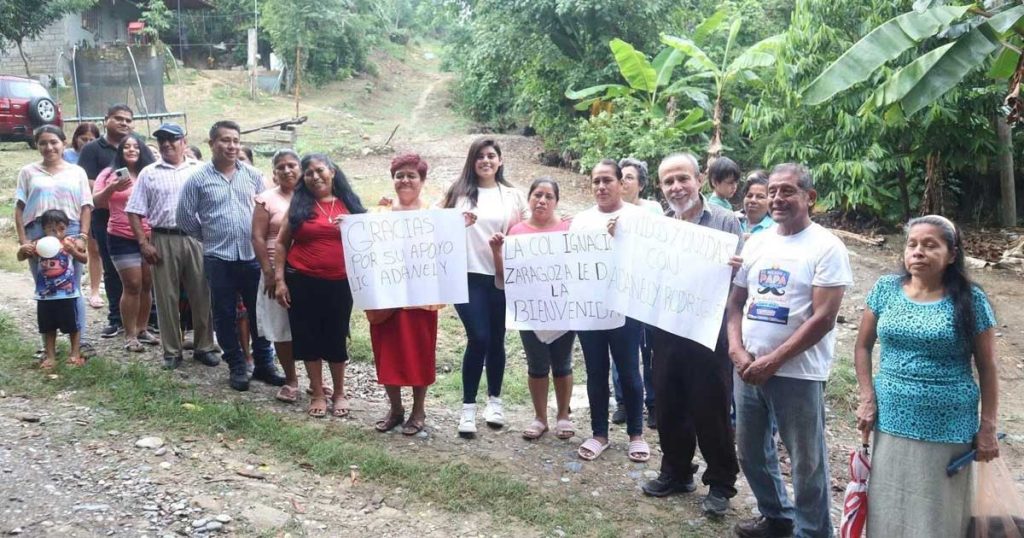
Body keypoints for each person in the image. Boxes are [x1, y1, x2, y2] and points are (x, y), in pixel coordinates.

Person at [727, 163, 852, 538]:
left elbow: (823, 318)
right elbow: (735, 303)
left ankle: (813, 531)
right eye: (772, 191)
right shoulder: (758, 242)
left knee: (805, 461)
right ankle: (777, 517)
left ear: (809, 197)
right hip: (748, 367)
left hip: (798, 373)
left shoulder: (827, 247)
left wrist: (774, 360)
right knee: (750, 451)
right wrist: (736, 350)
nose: (777, 198)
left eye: (788, 191)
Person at [855, 215, 999, 537]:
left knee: (937, 512)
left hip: (948, 426)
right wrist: (867, 399)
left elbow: (988, 367)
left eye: (930, 245)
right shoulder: (885, 290)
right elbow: (862, 347)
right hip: (890, 418)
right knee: (889, 502)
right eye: (912, 244)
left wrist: (987, 426)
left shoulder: (970, 300)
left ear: (951, 254)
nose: (918, 251)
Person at [638, 153, 743, 516]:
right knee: (669, 403)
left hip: (710, 332)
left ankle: (720, 484)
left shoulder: (727, 222)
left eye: (682, 178)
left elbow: (743, 283)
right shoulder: (659, 226)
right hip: (667, 328)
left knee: (711, 407)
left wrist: (735, 267)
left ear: (699, 180)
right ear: (661, 187)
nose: (676, 187)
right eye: (668, 181)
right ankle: (677, 471)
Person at [177, 120, 285, 390]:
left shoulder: (253, 176)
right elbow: (184, 218)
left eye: (236, 140)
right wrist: (210, 237)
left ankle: (263, 364)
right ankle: (236, 365)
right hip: (218, 258)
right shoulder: (198, 179)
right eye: (225, 140)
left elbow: (267, 211)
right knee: (224, 315)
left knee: (258, 312)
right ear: (212, 144)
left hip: (252, 257)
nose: (232, 146)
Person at [441, 138, 527, 437]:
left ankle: (495, 401)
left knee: (497, 339)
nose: (486, 161)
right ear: (472, 161)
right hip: (467, 276)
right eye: (480, 156)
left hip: (502, 276)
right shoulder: (459, 192)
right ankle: (467, 408)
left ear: (500, 161)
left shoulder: (513, 196)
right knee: (478, 337)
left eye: (491, 156)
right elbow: (436, 226)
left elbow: (529, 231)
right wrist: (456, 223)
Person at [274, 154, 365, 418]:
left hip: (339, 283)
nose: (315, 176)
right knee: (307, 337)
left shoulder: (350, 204)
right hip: (301, 280)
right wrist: (279, 280)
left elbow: (369, 239)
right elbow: (281, 243)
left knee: (336, 337)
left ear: (332, 171)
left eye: (319, 170)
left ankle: (338, 392)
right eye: (309, 173)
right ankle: (316, 391)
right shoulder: (299, 205)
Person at [571, 159, 648, 462]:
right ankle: (599, 433)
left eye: (607, 180)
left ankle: (637, 434)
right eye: (596, 181)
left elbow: (651, 263)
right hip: (589, 308)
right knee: (595, 370)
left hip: (626, 309)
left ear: (620, 183)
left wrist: (623, 240)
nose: (601, 187)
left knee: (629, 370)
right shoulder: (580, 221)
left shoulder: (638, 218)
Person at [489, 177, 576, 441]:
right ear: (529, 199)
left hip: (562, 308)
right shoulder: (516, 232)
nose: (542, 200)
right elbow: (506, 278)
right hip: (529, 311)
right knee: (537, 364)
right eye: (538, 195)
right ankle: (540, 418)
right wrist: (496, 251)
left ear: (556, 201)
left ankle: (563, 416)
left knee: (563, 363)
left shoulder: (569, 230)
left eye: (549, 196)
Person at [127, 122, 218, 370]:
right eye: (162, 139)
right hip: (163, 238)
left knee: (202, 294)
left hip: (196, 238)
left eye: (172, 138)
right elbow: (133, 211)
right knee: (166, 297)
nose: (167, 143)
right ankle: (171, 351)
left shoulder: (202, 170)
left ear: (184, 142)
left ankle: (204, 347)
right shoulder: (149, 172)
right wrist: (144, 243)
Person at [368, 154, 446, 435]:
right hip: (386, 297)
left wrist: (461, 227)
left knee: (419, 352)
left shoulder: (434, 215)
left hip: (420, 298)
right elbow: (364, 249)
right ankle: (395, 408)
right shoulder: (379, 214)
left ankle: (418, 409)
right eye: (399, 175)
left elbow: (446, 250)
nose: (405, 180)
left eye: (411, 175)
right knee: (387, 351)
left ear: (422, 181)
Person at [14, 126, 93, 343]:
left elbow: (86, 206)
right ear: (37, 145)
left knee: (72, 285)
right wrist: (24, 241)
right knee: (44, 284)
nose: (49, 147)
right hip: (38, 230)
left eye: (54, 142)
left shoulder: (77, 172)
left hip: (71, 229)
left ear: (63, 143)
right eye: (43, 143)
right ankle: (46, 345)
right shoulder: (28, 172)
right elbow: (19, 208)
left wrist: (83, 236)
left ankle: (80, 342)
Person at [93, 135, 159, 352]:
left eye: (136, 146)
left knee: (147, 284)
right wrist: (112, 188)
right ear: (120, 151)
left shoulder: (150, 172)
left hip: (150, 235)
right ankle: (129, 334)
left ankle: (142, 328)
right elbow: (97, 203)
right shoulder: (109, 174)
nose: (131, 150)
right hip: (120, 236)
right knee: (132, 284)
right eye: (126, 146)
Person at [78, 104, 134, 339]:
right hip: (103, 217)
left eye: (128, 120)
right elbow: (83, 181)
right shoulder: (92, 149)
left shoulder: (136, 146)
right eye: (118, 118)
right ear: (106, 120)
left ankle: (147, 319)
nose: (123, 123)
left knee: (142, 271)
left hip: (136, 220)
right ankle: (115, 319)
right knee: (111, 269)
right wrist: (108, 186)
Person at [253, 149, 302, 403]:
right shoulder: (265, 199)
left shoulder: (310, 196)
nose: (287, 170)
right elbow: (258, 237)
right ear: (274, 172)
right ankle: (291, 379)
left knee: (310, 326)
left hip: (307, 272)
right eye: (280, 167)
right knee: (281, 326)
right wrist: (269, 272)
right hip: (275, 271)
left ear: (300, 168)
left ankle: (318, 381)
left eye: (292, 165)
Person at [612, 156, 658, 428]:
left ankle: (653, 403)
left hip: (648, 291)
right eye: (621, 177)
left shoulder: (652, 211)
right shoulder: (606, 210)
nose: (624, 182)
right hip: (619, 290)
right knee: (621, 350)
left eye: (630, 177)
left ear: (641, 184)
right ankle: (623, 402)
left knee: (650, 349)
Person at [18, 209, 88, 369]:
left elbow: (85, 259)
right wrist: (22, 251)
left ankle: (75, 354)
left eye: (61, 228)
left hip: (68, 294)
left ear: (67, 228)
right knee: (48, 326)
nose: (56, 232)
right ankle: (50, 356)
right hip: (45, 295)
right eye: (51, 228)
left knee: (73, 326)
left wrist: (74, 251)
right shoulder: (39, 244)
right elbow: (21, 257)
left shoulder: (70, 242)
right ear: (44, 229)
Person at [739, 170, 774, 239]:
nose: (753, 200)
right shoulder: (733, 221)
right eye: (749, 195)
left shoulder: (775, 229)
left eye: (760, 197)